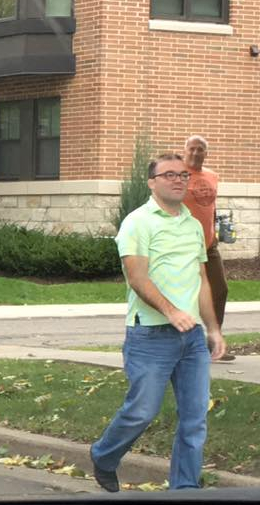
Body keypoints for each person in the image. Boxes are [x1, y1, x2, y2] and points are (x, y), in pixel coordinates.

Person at [90, 154, 226, 492]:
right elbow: (137, 278)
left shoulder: (194, 224)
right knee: (142, 412)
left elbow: (201, 280)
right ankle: (104, 456)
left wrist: (212, 328)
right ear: (152, 182)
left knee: (195, 420)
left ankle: (184, 490)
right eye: (169, 175)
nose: (179, 180)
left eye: (183, 175)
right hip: (150, 336)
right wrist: (171, 311)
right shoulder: (138, 222)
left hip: (192, 338)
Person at [182, 135, 232, 362]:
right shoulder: (178, 175)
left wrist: (213, 231)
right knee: (185, 295)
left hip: (209, 246)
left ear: (205, 153)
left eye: (199, 150)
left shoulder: (212, 176)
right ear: (185, 150)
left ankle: (214, 345)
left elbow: (210, 206)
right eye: (191, 149)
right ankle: (184, 348)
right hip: (183, 246)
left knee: (219, 290)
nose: (195, 153)